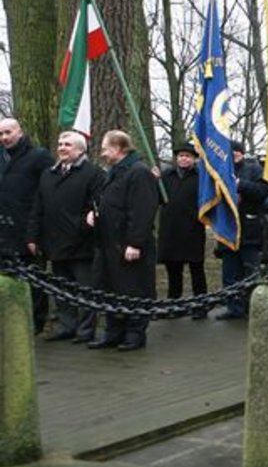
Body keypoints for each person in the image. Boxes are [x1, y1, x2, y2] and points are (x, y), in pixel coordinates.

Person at [26, 131, 104, 342]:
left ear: (80, 149)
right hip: (54, 242)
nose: (61, 148)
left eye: (67, 144)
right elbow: (37, 207)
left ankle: (86, 330)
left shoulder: (93, 173)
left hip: (82, 243)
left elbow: (97, 206)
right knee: (61, 289)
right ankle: (67, 325)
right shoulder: (48, 175)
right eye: (60, 144)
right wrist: (33, 236)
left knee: (85, 289)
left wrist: (82, 227)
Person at [87, 131, 159, 351]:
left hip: (128, 245)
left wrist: (135, 243)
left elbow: (142, 210)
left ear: (118, 148)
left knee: (133, 289)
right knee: (111, 289)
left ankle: (134, 333)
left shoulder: (138, 173)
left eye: (106, 148)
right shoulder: (115, 173)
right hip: (110, 243)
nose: (102, 153)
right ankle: (113, 331)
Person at [0, 118, 55, 334]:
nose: (4, 137)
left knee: (34, 280)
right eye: (1, 133)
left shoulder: (38, 157)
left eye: (8, 132)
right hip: (3, 229)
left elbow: (47, 191)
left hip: (27, 228)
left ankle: (35, 322)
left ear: (20, 132)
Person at [214, 140, 268, 320]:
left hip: (250, 229)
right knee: (230, 273)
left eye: (237, 152)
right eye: (231, 152)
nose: (234, 155)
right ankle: (234, 308)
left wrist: (240, 185)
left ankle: (253, 307)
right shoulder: (219, 169)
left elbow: (263, 191)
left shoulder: (254, 169)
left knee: (250, 272)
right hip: (228, 228)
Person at [157, 143, 208, 319]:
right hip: (171, 230)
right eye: (180, 156)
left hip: (193, 229)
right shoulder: (166, 176)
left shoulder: (200, 177)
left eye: (187, 156)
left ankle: (201, 305)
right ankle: (174, 304)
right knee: (173, 269)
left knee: (196, 269)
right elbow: (156, 197)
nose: (183, 159)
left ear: (194, 159)